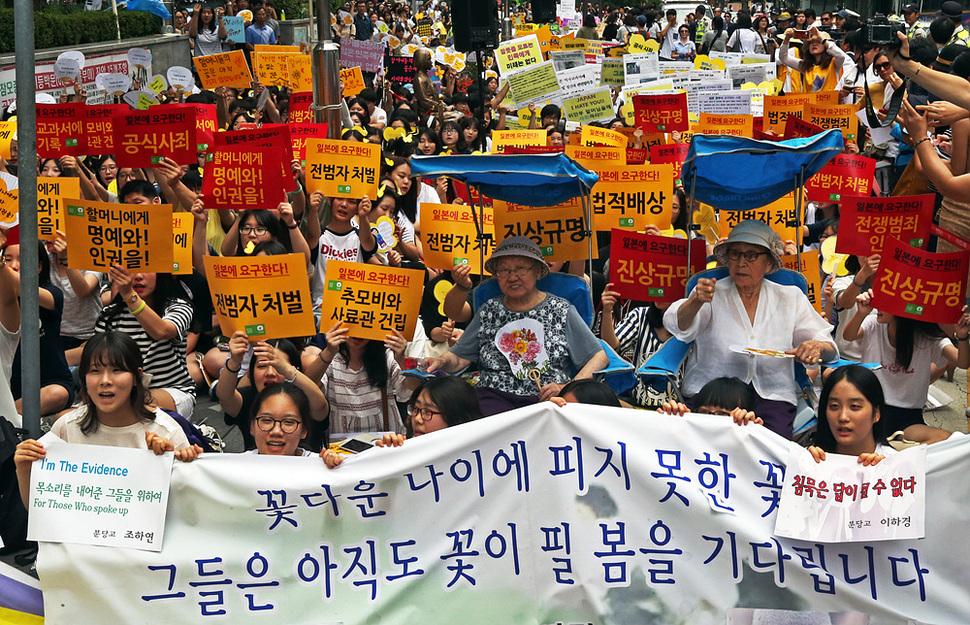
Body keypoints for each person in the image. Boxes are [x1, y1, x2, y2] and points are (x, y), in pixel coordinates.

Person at [663, 220, 837, 439]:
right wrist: (695, 301)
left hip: (771, 396)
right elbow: (677, 324)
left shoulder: (790, 297)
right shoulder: (711, 292)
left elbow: (828, 344)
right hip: (712, 394)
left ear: (769, 263)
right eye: (735, 254)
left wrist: (817, 347)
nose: (741, 262)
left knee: (768, 453)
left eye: (751, 255)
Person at [14, 332, 202, 508]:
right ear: (84, 379)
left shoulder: (166, 432)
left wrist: (176, 462)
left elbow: (189, 508)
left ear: (137, 377)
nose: (105, 380)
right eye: (95, 371)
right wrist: (24, 468)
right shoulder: (67, 427)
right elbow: (40, 507)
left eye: (117, 370)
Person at [425, 237, 609, 415]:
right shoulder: (489, 310)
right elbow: (459, 358)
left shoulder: (561, 309)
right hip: (493, 398)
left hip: (545, 399)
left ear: (538, 272)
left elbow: (599, 357)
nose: (512, 277)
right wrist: (441, 361)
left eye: (520, 268)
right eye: (503, 271)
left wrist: (566, 388)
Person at [842, 289, 969, 444]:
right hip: (869, 409)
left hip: (908, 418)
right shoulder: (873, 323)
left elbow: (963, 362)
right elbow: (848, 336)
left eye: (885, 302)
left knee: (947, 441)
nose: (877, 306)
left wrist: (962, 336)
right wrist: (861, 313)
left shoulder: (927, 338)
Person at [97, 266, 197, 419]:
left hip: (171, 391)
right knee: (66, 418)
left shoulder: (177, 306)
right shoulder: (109, 315)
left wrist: (129, 294)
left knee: (135, 407)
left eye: (147, 268)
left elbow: (161, 331)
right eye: (131, 269)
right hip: (121, 393)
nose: (138, 276)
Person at [321, 376, 484, 467]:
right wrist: (387, 456)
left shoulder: (480, 457)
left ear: (456, 415)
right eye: (416, 409)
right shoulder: (399, 447)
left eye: (428, 412)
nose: (418, 419)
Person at [217, 331, 330, 451]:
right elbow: (225, 396)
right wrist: (234, 361)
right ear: (250, 373)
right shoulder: (248, 399)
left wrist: (289, 371)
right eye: (262, 366)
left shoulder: (309, 400)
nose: (270, 373)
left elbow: (320, 405)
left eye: (279, 367)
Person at [807, 365, 891, 466]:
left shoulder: (895, 464)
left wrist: (886, 473)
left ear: (876, 413)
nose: (843, 417)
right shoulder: (809, 459)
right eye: (834, 406)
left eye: (854, 406)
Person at [246, 383, 319, 456]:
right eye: (267, 420)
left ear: (303, 430)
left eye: (288, 422)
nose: (276, 431)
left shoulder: (320, 465)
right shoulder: (238, 464)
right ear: (252, 426)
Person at [779, 26, 847, 93]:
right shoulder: (805, 65)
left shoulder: (834, 63)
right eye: (811, 42)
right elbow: (784, 58)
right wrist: (787, 39)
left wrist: (821, 38)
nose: (814, 44)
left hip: (830, 103)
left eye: (818, 41)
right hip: (809, 103)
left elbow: (841, 56)